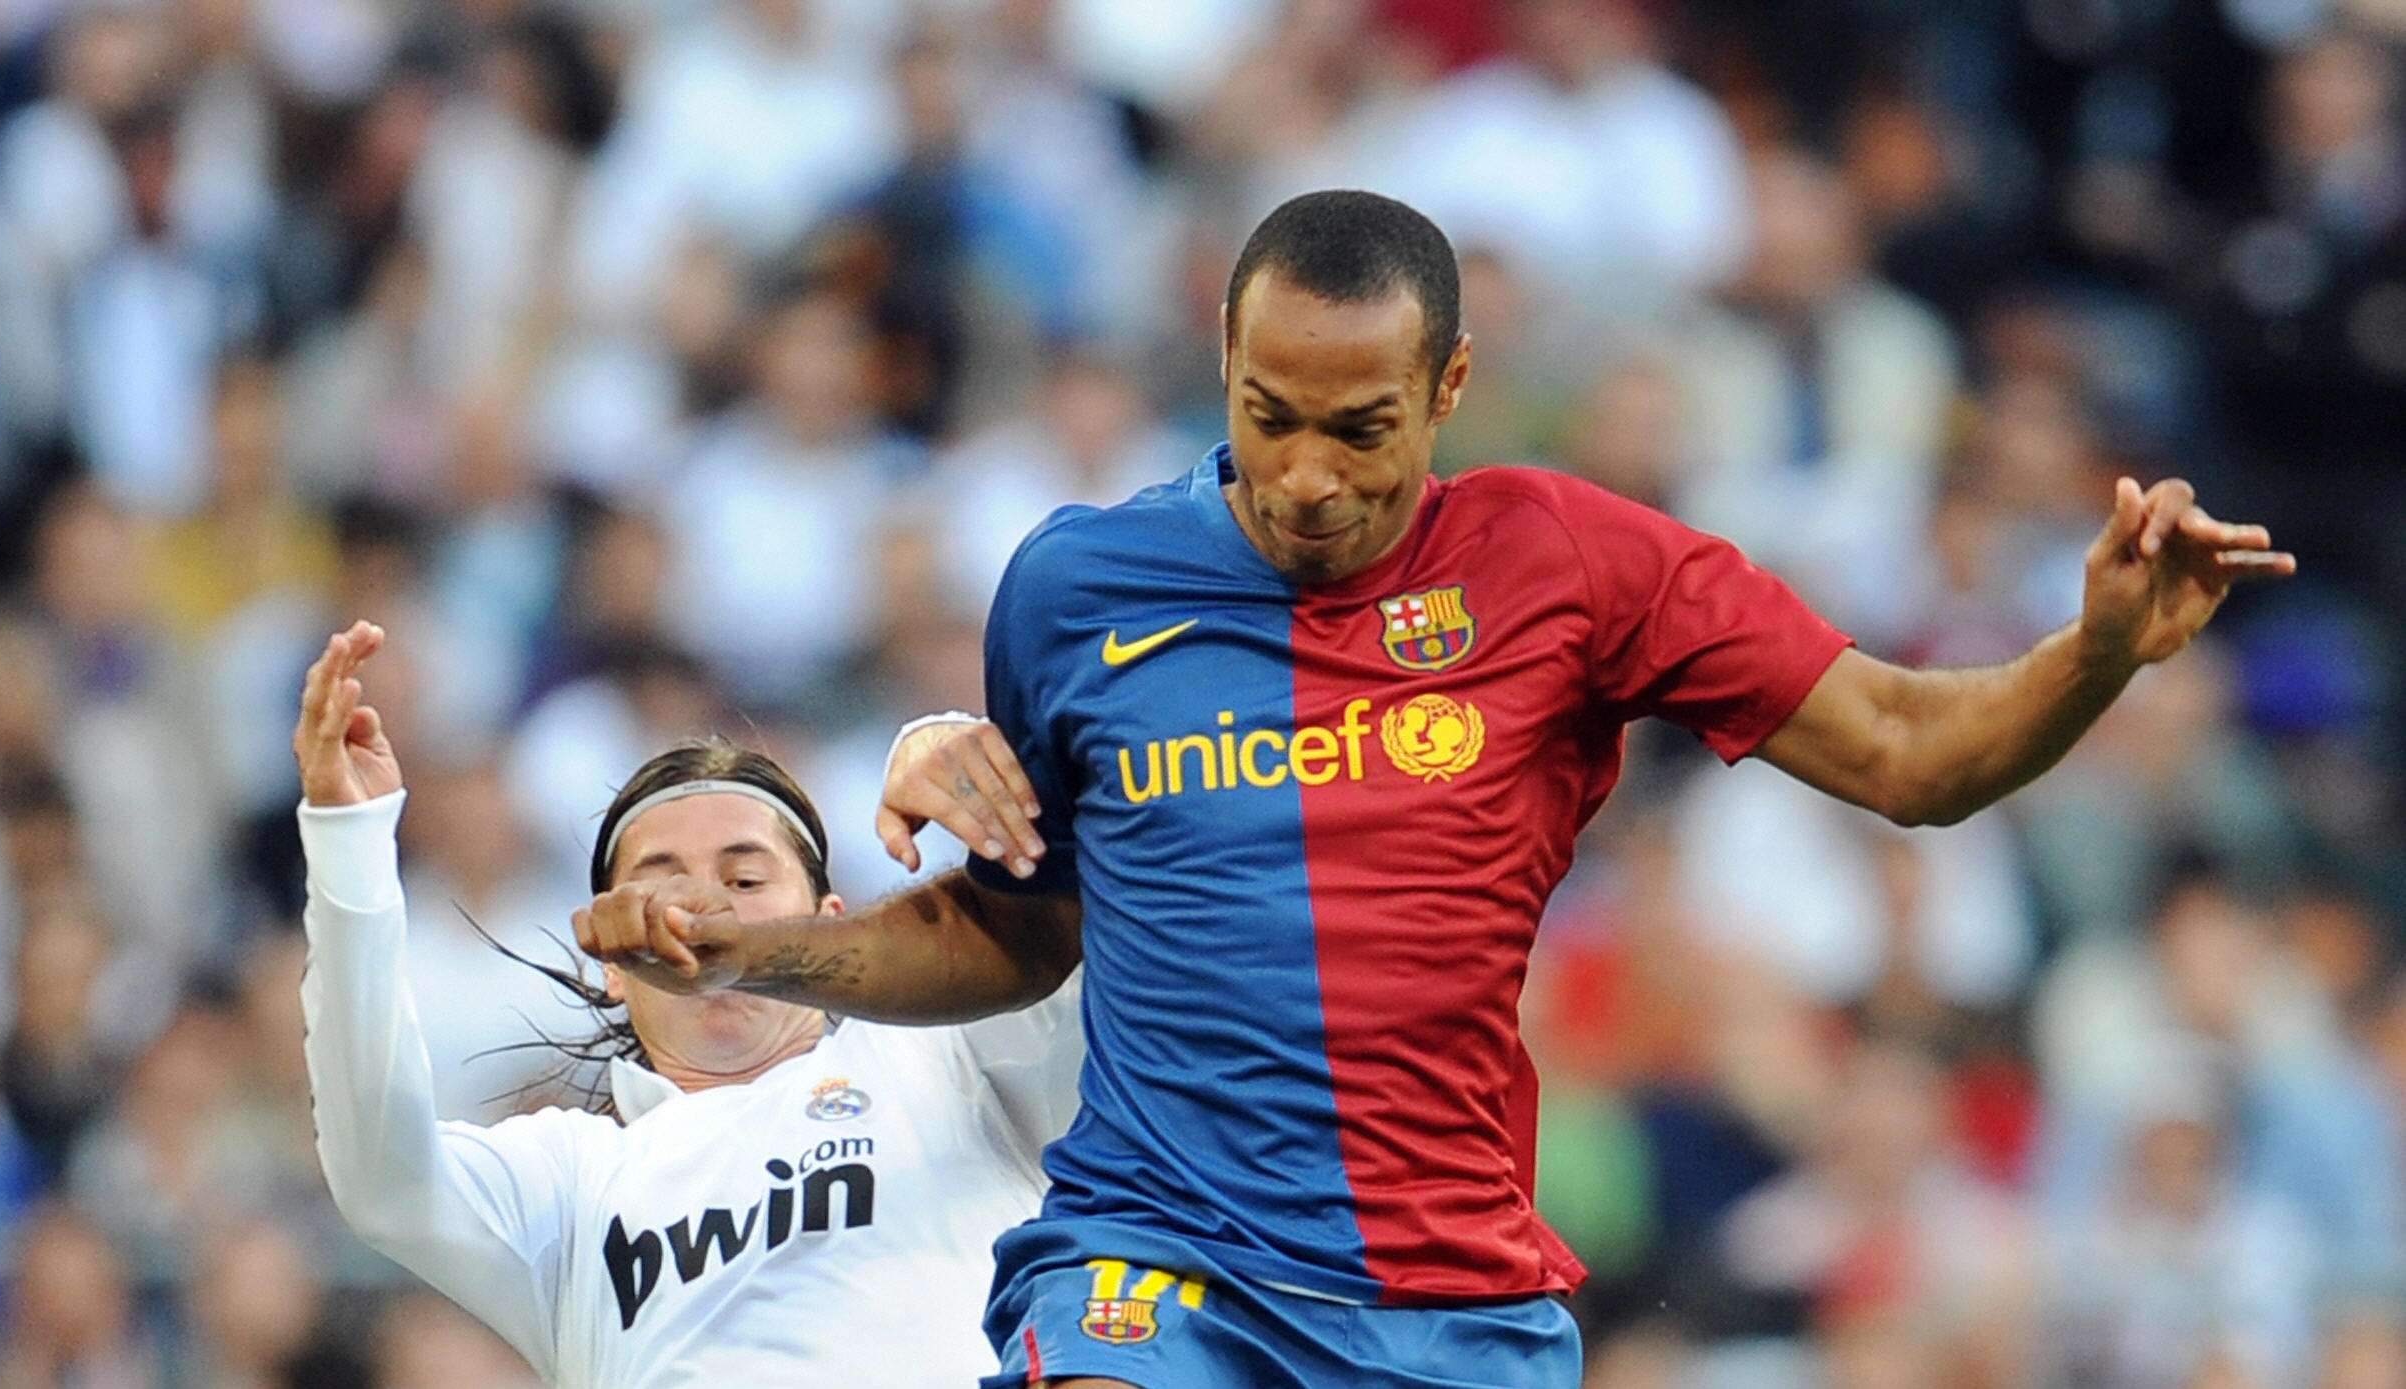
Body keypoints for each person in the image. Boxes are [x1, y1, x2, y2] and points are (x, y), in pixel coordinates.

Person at [572, 190, 2294, 1389]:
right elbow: (1020, 932)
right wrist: (751, 955)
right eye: (1265, 417)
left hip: (1448, 1297)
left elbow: (1911, 756)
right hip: (1152, 1264)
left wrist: (2094, 654)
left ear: (1447, 390)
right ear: (1220, 368)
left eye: (1358, 427)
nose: (1306, 476)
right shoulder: (1074, 586)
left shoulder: (1572, 561)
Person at [292, 620, 1081, 1387]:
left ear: (829, 923)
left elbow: (1120, 920)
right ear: (609, 965)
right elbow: (378, 1171)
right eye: (664, 883)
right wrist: (350, 840)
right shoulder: (572, 1180)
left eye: (744, 880)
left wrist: (955, 745)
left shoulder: (961, 1058)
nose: (704, 911)